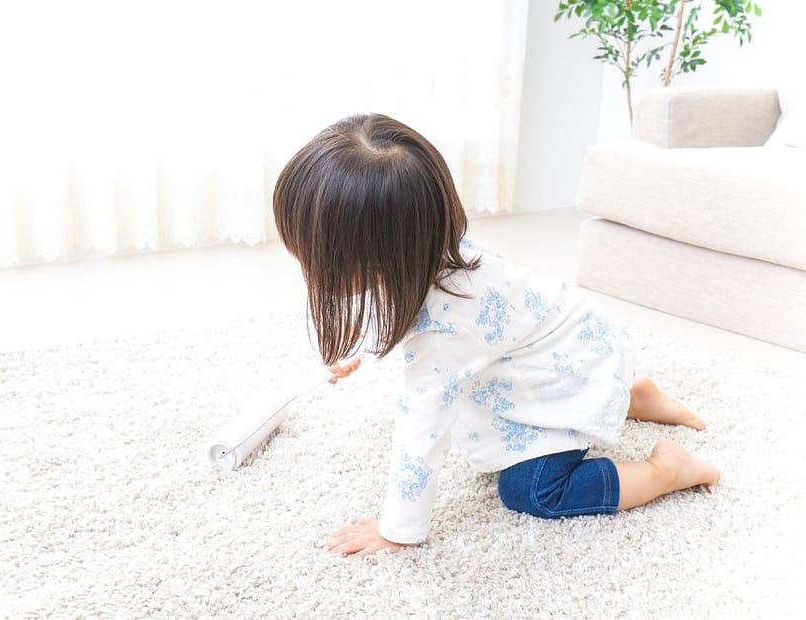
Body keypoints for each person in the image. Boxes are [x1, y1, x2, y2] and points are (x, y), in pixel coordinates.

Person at [272, 113, 721, 557]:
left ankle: (666, 471)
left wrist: (398, 530)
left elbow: (421, 429)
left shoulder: (449, 325)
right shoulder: (436, 248)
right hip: (581, 343)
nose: (309, 268)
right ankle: (631, 394)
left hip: (571, 370)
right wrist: (361, 348)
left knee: (531, 490)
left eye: (318, 259)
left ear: (380, 258)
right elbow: (390, 302)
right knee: (487, 415)